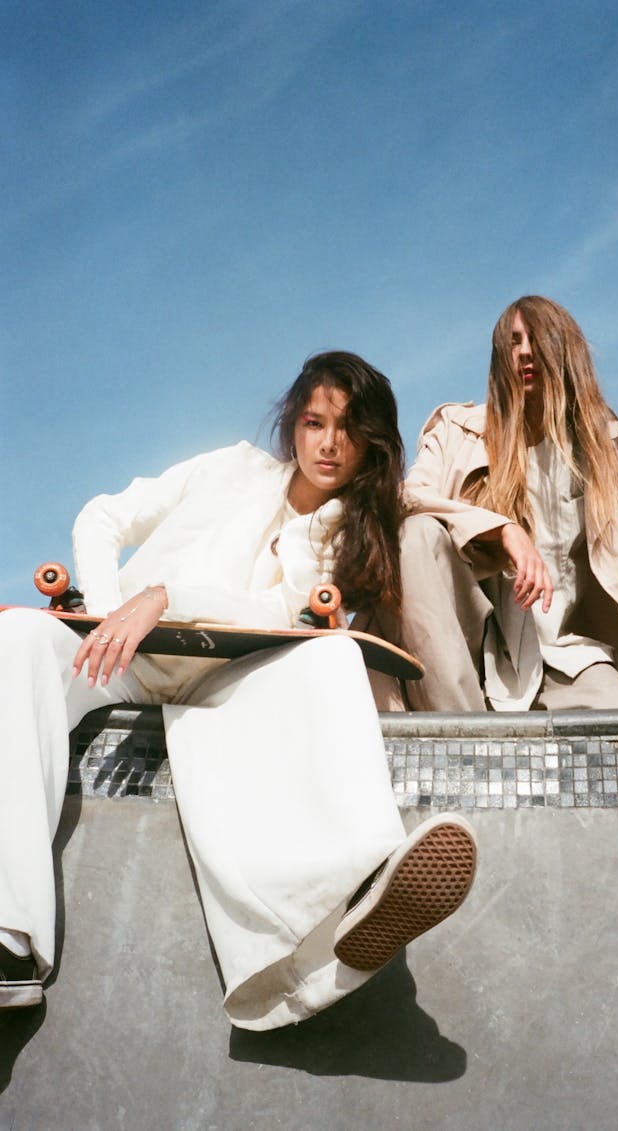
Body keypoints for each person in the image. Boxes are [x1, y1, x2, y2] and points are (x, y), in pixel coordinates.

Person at [0, 351, 477, 1027]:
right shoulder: (229, 466)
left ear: (371, 441)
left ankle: (363, 881)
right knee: (14, 639)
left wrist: (165, 597)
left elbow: (276, 613)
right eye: (315, 422)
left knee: (332, 652)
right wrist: (110, 613)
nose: (329, 442)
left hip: (224, 681)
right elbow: (103, 517)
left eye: (348, 428)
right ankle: (8, 939)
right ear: (293, 422)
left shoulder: (343, 530)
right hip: (120, 656)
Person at [377, 296, 618, 712]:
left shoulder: (603, 451)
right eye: (513, 341)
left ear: (564, 349)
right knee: (416, 534)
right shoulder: (457, 431)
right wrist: (502, 531)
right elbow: (405, 500)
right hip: (466, 646)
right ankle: (465, 741)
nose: (524, 352)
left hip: (559, 653)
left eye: (536, 338)